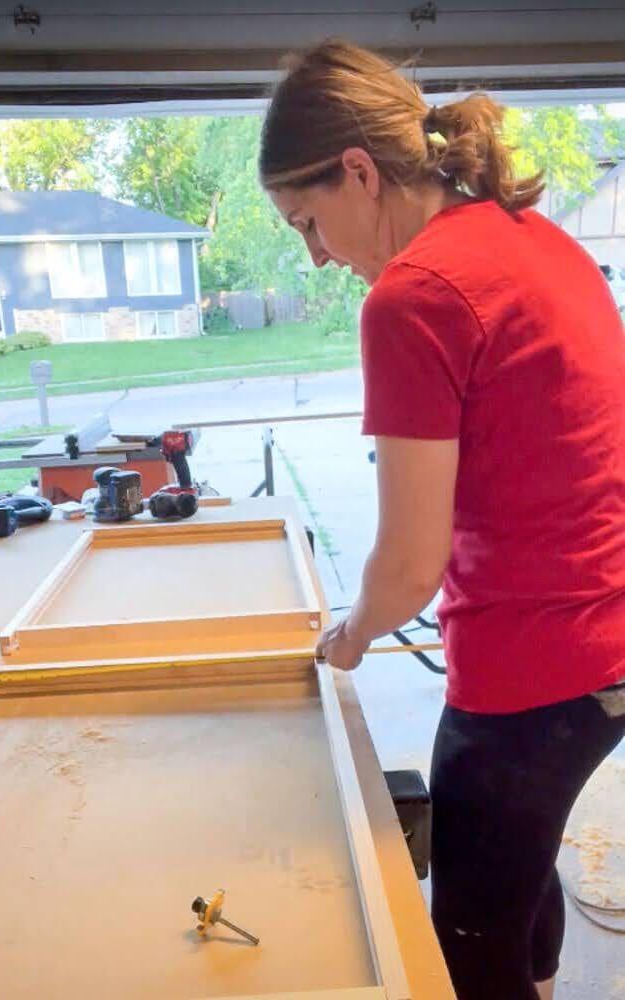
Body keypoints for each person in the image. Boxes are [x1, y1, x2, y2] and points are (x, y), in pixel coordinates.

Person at [258, 39, 625, 1000]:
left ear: (357, 171)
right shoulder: (526, 236)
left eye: (309, 222)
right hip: (604, 637)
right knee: (515, 868)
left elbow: (410, 565)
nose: (318, 254)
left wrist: (348, 635)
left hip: (534, 664)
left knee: (466, 939)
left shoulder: (413, 296)